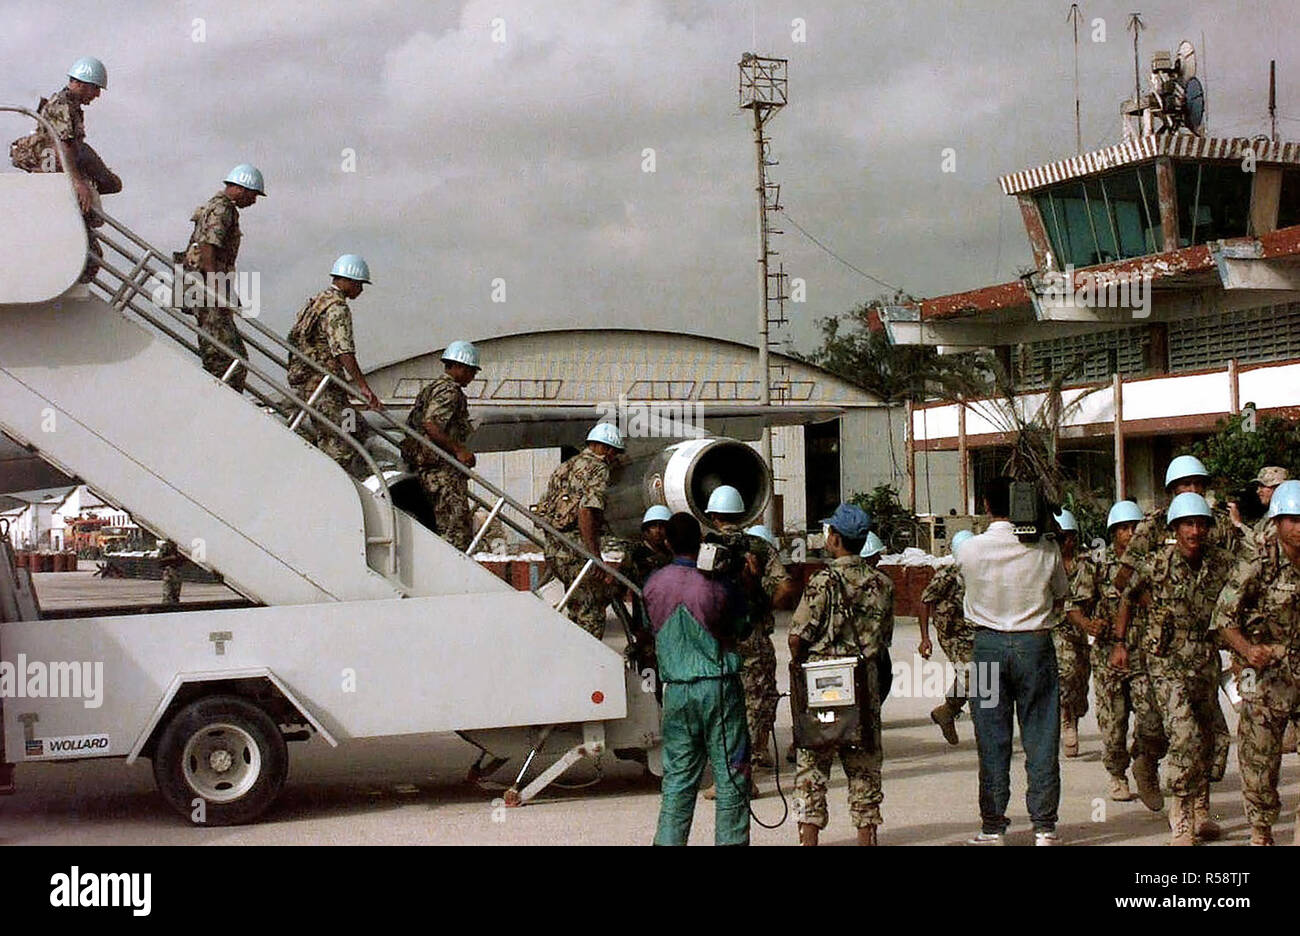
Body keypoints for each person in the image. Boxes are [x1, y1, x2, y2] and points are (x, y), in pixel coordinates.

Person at [1112, 492, 1234, 845]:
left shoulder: (1222, 563)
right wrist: (1121, 643)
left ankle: (1200, 809)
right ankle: (1180, 818)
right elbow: (1126, 592)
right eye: (1188, 524)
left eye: (1200, 524)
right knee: (1184, 735)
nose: (1195, 531)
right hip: (1166, 662)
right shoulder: (1157, 563)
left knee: (1210, 738)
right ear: (1175, 528)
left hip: (1205, 660)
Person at [958, 477, 1069, 846]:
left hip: (987, 648)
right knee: (1041, 736)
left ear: (986, 506)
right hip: (1035, 645)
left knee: (991, 738)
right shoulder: (1046, 548)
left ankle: (992, 827)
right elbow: (1061, 596)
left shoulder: (969, 549)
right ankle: (1044, 827)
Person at [645, 512, 751, 846]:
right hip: (718, 688)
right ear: (702, 542)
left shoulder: (652, 584)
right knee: (731, 777)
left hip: (676, 690)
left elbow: (649, 631)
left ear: (666, 541)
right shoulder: (717, 585)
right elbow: (742, 626)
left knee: (677, 779)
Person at [789, 503, 891, 846]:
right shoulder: (883, 584)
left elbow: (796, 636)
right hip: (863, 687)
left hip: (823, 686)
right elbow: (883, 640)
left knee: (812, 766)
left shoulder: (822, 581)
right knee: (863, 767)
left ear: (835, 539)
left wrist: (800, 666)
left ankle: (809, 839)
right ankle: (866, 836)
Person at [1212, 479, 1300, 846]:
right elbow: (1224, 616)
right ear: (1276, 522)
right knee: (1259, 758)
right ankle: (1260, 829)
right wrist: (1248, 651)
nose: (1299, 528)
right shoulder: (1258, 559)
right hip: (1266, 673)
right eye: (1292, 519)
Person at [1067, 500, 1166, 807]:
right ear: (1113, 533)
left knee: (1152, 719)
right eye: (1124, 528)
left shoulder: (1154, 562)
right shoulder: (1096, 564)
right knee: (1113, 725)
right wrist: (1088, 624)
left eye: (1135, 527)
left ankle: (1144, 763)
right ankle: (1117, 774)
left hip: (1146, 653)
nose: (1131, 533)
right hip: (1108, 655)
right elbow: (1074, 606)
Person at [703, 486, 795, 786]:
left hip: (715, 637)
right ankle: (752, 762)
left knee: (720, 702)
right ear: (742, 514)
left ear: (714, 515)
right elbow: (785, 589)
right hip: (754, 634)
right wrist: (762, 601)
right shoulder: (760, 547)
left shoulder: (706, 545)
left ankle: (726, 773)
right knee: (757, 699)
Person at [9, 57, 122, 282]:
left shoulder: (71, 106)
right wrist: (78, 182)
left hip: (61, 166)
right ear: (83, 83)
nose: (97, 95)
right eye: (96, 89)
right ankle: (59, 282)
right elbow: (65, 145)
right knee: (90, 257)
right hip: (57, 167)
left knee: (112, 184)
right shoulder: (63, 103)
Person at [286, 254, 383, 478]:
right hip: (324, 385)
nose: (361, 290)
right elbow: (343, 351)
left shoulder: (316, 302)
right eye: (360, 285)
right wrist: (363, 387)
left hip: (305, 381)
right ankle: (335, 483)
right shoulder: (337, 308)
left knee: (351, 428)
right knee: (342, 441)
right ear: (350, 281)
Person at [177, 165, 265, 391]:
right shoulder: (222, 208)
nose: (253, 201)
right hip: (205, 288)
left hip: (203, 285)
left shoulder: (217, 206)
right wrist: (216, 286)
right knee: (225, 358)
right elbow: (209, 245)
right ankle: (219, 400)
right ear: (241, 189)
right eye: (253, 195)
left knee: (230, 354)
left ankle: (221, 397)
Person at [536, 423, 624, 639]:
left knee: (575, 610)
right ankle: (591, 668)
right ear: (608, 450)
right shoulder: (598, 469)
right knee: (590, 614)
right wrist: (594, 557)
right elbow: (587, 511)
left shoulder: (565, 467)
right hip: (577, 554)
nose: (615, 460)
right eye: (615, 454)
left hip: (555, 551)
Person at [402, 340, 479, 550]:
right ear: (460, 367)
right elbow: (431, 423)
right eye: (472, 371)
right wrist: (459, 450)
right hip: (441, 471)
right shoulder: (449, 391)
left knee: (439, 528)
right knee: (455, 533)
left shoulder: (432, 388)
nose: (473, 376)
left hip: (427, 469)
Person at [919, 529, 974, 745]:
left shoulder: (980, 570)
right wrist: (925, 638)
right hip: (953, 633)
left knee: (979, 672)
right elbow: (925, 601)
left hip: (975, 631)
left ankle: (947, 710)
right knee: (975, 676)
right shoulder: (948, 574)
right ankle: (988, 733)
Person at [1052, 509, 1092, 758]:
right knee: (1065, 674)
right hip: (1055, 629)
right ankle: (1066, 720)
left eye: (1065, 537)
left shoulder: (1086, 565)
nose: (1062, 542)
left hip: (1081, 632)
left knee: (1079, 682)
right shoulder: (1045, 563)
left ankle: (1073, 715)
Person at [158, 539, 183, 606]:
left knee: (175, 593)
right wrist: (170, 558)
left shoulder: (180, 546)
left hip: (176, 571)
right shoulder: (165, 547)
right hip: (169, 570)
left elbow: (183, 560)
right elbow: (160, 560)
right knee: (168, 593)